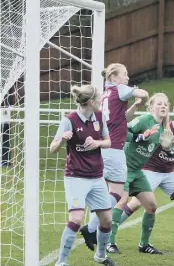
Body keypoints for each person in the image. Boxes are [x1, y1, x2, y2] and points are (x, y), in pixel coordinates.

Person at [112, 100, 174, 250]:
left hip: (168, 173)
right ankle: (108, 231)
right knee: (134, 204)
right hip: (150, 169)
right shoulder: (166, 127)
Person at [81, 63, 149, 250]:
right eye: (125, 74)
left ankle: (92, 228)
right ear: (113, 77)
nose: (128, 77)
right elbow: (143, 94)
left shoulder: (105, 94)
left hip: (103, 147)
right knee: (118, 194)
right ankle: (91, 227)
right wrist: (139, 94)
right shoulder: (119, 89)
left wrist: (134, 105)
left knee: (107, 192)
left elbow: (120, 118)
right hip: (113, 149)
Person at [49, 84, 117, 266]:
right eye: (99, 99)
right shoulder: (69, 120)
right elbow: (52, 148)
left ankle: (101, 256)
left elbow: (108, 142)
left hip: (96, 177)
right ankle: (61, 263)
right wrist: (62, 140)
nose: (101, 102)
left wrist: (97, 143)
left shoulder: (100, 117)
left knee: (107, 220)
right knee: (77, 219)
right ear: (90, 102)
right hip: (76, 177)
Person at [105, 93, 174, 254]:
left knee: (151, 205)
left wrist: (168, 147)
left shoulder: (164, 130)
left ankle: (144, 244)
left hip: (137, 171)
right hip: (124, 168)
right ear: (151, 108)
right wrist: (141, 137)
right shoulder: (144, 120)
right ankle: (109, 242)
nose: (163, 106)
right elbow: (123, 132)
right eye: (159, 104)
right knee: (121, 203)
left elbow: (173, 153)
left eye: (165, 104)